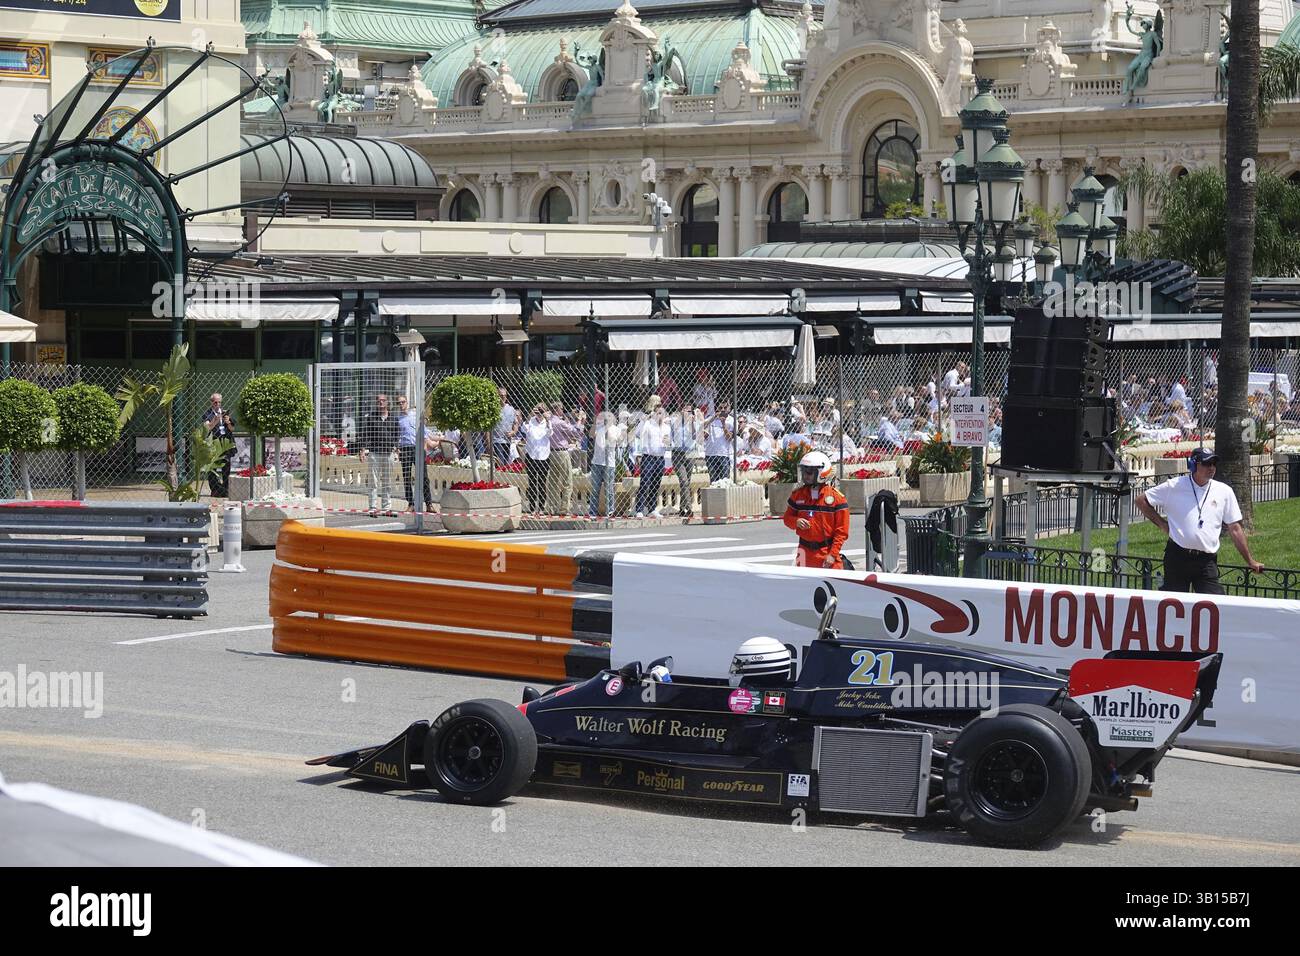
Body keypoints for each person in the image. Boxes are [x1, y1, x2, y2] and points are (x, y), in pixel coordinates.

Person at [1135, 447, 1263, 594]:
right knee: (1174, 606)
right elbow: (1141, 500)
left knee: (1215, 605)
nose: (1212, 468)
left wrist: (1250, 561)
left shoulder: (1224, 491)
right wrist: (1163, 525)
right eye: (1207, 463)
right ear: (1193, 465)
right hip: (1177, 557)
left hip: (1206, 561)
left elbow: (1235, 528)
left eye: (1214, 463)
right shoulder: (1174, 486)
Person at [782, 450, 850, 570]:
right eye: (804, 471)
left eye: (809, 472)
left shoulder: (837, 499)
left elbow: (841, 532)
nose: (805, 475)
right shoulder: (798, 495)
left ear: (822, 472)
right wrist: (795, 521)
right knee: (804, 586)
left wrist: (833, 555)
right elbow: (787, 519)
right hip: (804, 552)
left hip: (827, 553)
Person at [359, 393, 400, 514]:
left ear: (387, 402)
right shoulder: (371, 417)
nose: (381, 402)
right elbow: (366, 435)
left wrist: (396, 448)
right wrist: (362, 450)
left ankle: (386, 507)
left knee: (387, 482)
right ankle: (373, 507)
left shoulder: (393, 418)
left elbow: (397, 434)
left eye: (383, 400)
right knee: (373, 482)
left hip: (388, 454)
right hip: (374, 453)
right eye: (378, 401)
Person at [395, 394, 432, 510]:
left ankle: (429, 503)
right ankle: (411, 503)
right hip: (405, 448)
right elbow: (396, 435)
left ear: (407, 403)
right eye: (399, 403)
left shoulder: (415, 416)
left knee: (424, 476)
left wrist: (425, 444)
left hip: (418, 448)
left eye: (403, 402)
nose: (401, 405)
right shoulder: (398, 419)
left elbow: (423, 430)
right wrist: (397, 448)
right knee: (406, 476)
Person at [635, 403, 669, 518]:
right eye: (658, 413)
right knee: (645, 482)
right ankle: (639, 509)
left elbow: (669, 443)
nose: (660, 415)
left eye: (662, 413)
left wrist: (667, 443)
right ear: (654, 414)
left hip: (660, 458)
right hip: (649, 457)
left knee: (656, 483)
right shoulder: (648, 424)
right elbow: (638, 434)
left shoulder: (666, 427)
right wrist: (643, 421)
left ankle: (652, 508)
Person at [587, 411, 623, 518]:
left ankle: (610, 511)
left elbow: (618, 441)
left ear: (613, 418)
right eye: (605, 416)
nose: (607, 418)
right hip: (597, 462)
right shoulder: (599, 427)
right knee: (595, 489)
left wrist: (609, 430)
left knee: (609, 489)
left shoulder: (616, 429)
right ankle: (592, 512)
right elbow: (591, 435)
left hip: (609, 463)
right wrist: (594, 423)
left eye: (609, 416)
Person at [547, 400, 581, 515]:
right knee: (568, 481)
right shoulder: (560, 423)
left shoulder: (549, 422)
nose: (562, 411)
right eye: (561, 409)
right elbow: (575, 433)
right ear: (557, 410)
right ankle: (564, 507)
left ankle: (553, 507)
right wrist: (579, 421)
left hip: (551, 453)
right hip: (562, 452)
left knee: (553, 481)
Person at [202, 392, 236, 497]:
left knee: (226, 467)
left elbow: (232, 429)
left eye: (219, 402)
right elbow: (208, 428)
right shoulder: (207, 414)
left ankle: (225, 490)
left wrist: (228, 422)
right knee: (212, 469)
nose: (217, 404)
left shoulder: (225, 413)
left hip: (225, 444)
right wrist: (215, 420)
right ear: (211, 402)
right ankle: (215, 490)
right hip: (214, 444)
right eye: (215, 402)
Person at [522, 404, 551, 514]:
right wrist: (530, 416)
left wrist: (547, 420)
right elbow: (524, 429)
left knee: (542, 483)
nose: (539, 413)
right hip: (531, 455)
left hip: (544, 455)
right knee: (532, 482)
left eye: (541, 411)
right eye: (537, 410)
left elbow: (550, 433)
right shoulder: (531, 421)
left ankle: (542, 507)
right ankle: (533, 508)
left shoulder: (547, 422)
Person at [669, 405, 698, 517]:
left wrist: (692, 423)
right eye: (685, 410)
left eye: (689, 411)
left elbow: (695, 436)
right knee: (684, 480)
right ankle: (689, 508)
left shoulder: (693, 423)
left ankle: (682, 507)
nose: (687, 412)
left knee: (686, 482)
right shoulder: (674, 422)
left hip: (690, 453)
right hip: (677, 453)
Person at [703, 399, 735, 483]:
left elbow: (729, 437)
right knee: (713, 482)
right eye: (721, 407)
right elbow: (701, 429)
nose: (723, 410)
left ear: (729, 407)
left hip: (724, 454)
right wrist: (713, 417)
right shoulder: (710, 417)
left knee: (725, 482)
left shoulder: (732, 420)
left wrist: (723, 423)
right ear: (716, 408)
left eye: (725, 407)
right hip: (710, 454)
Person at [492, 387, 519, 465]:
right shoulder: (494, 409)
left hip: (507, 440)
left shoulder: (511, 409)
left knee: (506, 462)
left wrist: (513, 432)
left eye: (504, 395)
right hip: (496, 440)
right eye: (500, 395)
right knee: (500, 461)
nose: (502, 397)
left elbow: (516, 423)